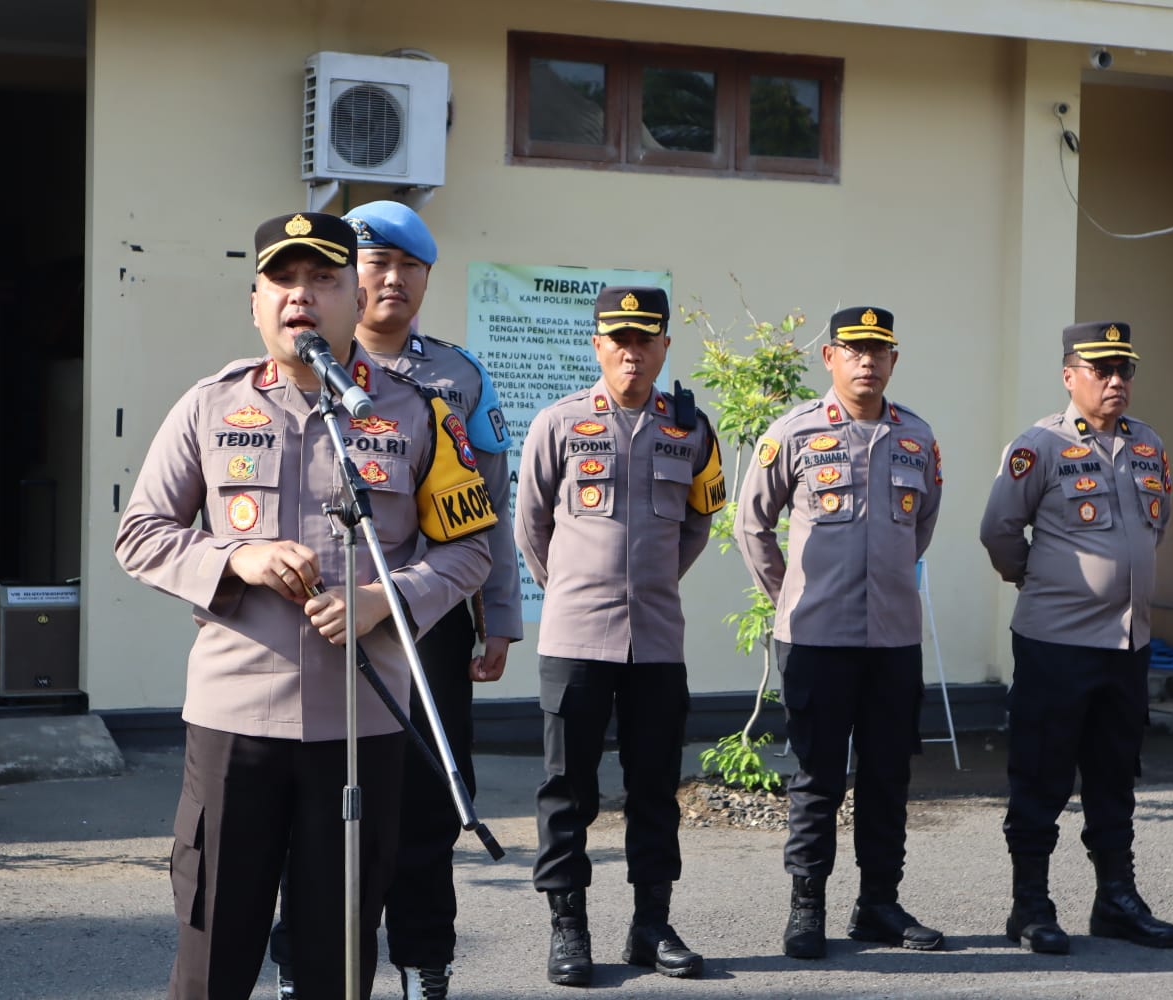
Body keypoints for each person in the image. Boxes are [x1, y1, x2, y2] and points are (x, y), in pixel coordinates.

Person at [115, 211, 495, 1000]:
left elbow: (469, 551)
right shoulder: (208, 406)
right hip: (234, 724)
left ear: (355, 298)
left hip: (361, 725)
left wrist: (383, 601)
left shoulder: (420, 413)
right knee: (213, 952)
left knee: (338, 957)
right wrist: (237, 558)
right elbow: (141, 534)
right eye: (283, 280)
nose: (301, 296)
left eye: (323, 279)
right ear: (255, 302)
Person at [514, 285, 725, 987]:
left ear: (664, 346)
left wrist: (651, 584)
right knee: (565, 790)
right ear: (598, 345)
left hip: (657, 641)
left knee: (655, 788)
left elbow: (698, 522)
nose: (632, 352)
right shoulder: (558, 423)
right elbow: (530, 524)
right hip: (574, 639)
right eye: (619, 339)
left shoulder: (691, 429)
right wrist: (574, 589)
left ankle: (651, 926)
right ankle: (568, 928)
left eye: (645, 339)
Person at [347, 200, 523, 999]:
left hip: (432, 624)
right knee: (324, 810)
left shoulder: (459, 375)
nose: (393, 279)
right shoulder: (306, 369)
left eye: (409, 267)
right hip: (331, 625)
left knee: (429, 800)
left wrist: (500, 619)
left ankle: (425, 964)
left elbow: (492, 507)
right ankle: (314, 965)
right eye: (377, 263)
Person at [733, 306, 944, 959]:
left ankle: (878, 904)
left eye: (878, 351)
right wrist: (791, 596)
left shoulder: (916, 437)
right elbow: (751, 525)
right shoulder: (794, 431)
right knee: (817, 778)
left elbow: (923, 524)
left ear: (893, 359)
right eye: (854, 350)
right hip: (815, 641)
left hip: (893, 640)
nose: (867, 361)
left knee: (887, 777)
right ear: (830, 357)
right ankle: (807, 908)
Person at [978, 321, 1173, 956]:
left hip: (1127, 645)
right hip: (1056, 644)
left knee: (1115, 777)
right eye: (1102, 370)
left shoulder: (1148, 444)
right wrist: (1040, 580)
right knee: (1041, 775)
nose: (1116, 380)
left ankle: (1116, 899)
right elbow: (999, 531)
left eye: (1125, 370)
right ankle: (1031, 906)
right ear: (1070, 376)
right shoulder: (1039, 445)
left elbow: (1158, 525)